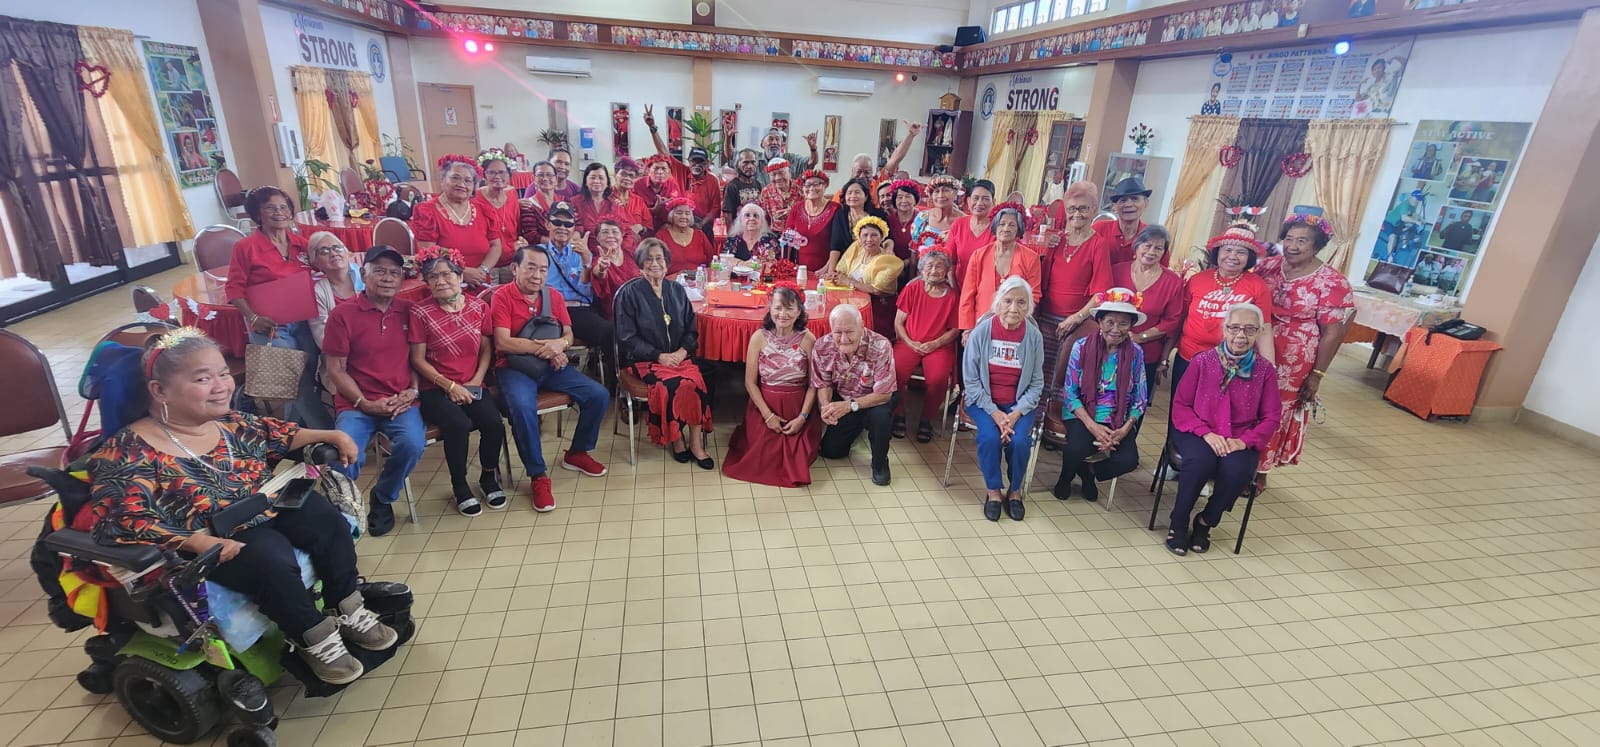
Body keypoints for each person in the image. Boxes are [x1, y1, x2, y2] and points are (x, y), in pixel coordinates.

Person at [83, 328, 395, 685]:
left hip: (258, 508)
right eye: (203, 378)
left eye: (223, 374)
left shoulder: (230, 422)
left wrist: (331, 435)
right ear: (159, 390)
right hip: (203, 539)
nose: (221, 386)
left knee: (326, 521)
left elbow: (280, 434)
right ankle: (313, 637)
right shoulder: (127, 450)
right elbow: (122, 523)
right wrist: (196, 543)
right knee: (271, 557)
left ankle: (347, 607)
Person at [489, 247, 611, 512]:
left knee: (598, 395)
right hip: (514, 367)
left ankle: (577, 452)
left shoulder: (553, 296)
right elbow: (502, 341)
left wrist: (560, 345)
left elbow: (567, 333)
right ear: (515, 269)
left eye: (543, 269)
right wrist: (546, 348)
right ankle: (538, 475)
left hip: (551, 364)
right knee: (523, 408)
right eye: (530, 267)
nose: (537, 275)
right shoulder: (502, 296)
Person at [322, 246, 424, 536]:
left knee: (412, 444)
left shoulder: (408, 310)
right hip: (356, 404)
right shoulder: (343, 315)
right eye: (379, 270)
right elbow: (336, 369)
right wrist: (363, 402)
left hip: (400, 401)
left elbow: (417, 358)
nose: (388, 278)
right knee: (345, 453)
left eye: (395, 272)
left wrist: (414, 390)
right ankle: (344, 509)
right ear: (363, 273)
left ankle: (383, 497)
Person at [1166, 303, 1282, 555]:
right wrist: (1206, 433)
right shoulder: (1203, 361)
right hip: (1198, 429)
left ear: (1258, 333)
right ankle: (1178, 520)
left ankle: (1206, 521)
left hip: (1240, 436)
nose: (1241, 335)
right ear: (1224, 329)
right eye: (1235, 328)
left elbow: (1272, 416)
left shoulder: (1265, 371)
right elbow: (1181, 405)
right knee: (1199, 463)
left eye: (1249, 330)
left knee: (1237, 471)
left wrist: (1245, 441)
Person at [407, 246, 506, 516]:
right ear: (426, 282)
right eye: (432, 277)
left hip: (472, 382)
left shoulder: (478, 306)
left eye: (446, 274)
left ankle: (487, 476)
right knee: (457, 425)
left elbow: (487, 348)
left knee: (493, 423)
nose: (440, 281)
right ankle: (460, 484)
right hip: (434, 387)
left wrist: (475, 381)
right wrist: (449, 386)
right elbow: (417, 360)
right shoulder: (420, 312)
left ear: (460, 275)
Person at [1255, 214, 1353, 484]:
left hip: (1294, 359)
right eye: (1289, 239)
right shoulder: (1268, 267)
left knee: (1276, 409)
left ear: (1317, 245)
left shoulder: (1332, 282)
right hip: (1255, 345)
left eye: (1302, 241)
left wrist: (1317, 374)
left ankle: (1261, 470)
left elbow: (1334, 332)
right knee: (1246, 403)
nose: (1293, 246)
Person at [225, 187, 328, 427]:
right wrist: (252, 319)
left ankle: (292, 434)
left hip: (304, 320)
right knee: (296, 381)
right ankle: (330, 434)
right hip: (270, 326)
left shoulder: (301, 245)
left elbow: (324, 270)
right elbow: (233, 289)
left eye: (284, 207)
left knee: (307, 378)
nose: (279, 212)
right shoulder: (246, 247)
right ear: (258, 214)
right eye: (270, 208)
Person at [614, 239, 716, 468]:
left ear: (667, 262)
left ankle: (696, 444)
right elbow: (626, 337)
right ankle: (676, 439)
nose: (654, 263)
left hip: (679, 357)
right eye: (649, 259)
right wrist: (659, 356)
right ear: (640, 263)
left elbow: (692, 329)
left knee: (696, 382)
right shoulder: (630, 294)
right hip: (644, 360)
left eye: (659, 258)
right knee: (672, 385)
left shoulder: (677, 290)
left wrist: (682, 351)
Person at [1053, 288, 1149, 502]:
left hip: (1118, 415)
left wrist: (1124, 429)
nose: (1116, 329)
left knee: (1128, 460)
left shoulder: (1136, 353)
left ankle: (1090, 474)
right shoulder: (1081, 347)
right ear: (1100, 321)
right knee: (1077, 447)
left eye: (1123, 323)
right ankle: (1065, 477)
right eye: (1110, 322)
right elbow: (1070, 392)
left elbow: (1141, 398)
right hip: (1083, 412)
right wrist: (1092, 426)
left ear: (1131, 326)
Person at [722, 285, 822, 487]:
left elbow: (814, 384)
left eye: (789, 309)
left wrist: (802, 418)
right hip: (764, 406)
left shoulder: (808, 339)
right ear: (770, 308)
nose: (782, 314)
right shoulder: (759, 338)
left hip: (797, 407)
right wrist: (768, 416)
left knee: (795, 456)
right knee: (762, 456)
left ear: (800, 311)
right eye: (777, 308)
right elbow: (750, 383)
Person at [963, 277, 1045, 522]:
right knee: (989, 437)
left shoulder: (1034, 337)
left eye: (1021, 302)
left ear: (1028, 307)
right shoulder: (981, 333)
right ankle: (993, 492)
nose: (1013, 308)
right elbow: (971, 382)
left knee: (1020, 441)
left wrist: (1015, 413)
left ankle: (1015, 491)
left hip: (1018, 405)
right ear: (998, 304)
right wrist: (995, 413)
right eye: (1008, 301)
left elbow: (1037, 383)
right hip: (984, 402)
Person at [1175, 223, 1276, 400]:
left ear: (1250, 257)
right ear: (1218, 252)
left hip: (1233, 364)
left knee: (1219, 415)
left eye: (1241, 252)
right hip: (1189, 358)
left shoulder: (1257, 286)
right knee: (1182, 410)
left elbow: (1264, 329)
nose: (1233, 256)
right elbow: (1181, 317)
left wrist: (1270, 369)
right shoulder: (1198, 280)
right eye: (1227, 250)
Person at [812, 303, 897, 486]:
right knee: (831, 452)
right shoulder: (822, 346)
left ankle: (880, 463)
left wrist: (849, 405)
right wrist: (826, 406)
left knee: (880, 418)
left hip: (874, 400)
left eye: (849, 332)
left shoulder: (880, 345)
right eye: (838, 332)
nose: (843, 339)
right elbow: (823, 383)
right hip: (843, 400)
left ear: (862, 326)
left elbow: (884, 394)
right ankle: (856, 428)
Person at [537, 201, 615, 386]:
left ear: (574, 228)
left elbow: (588, 290)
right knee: (539, 336)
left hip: (579, 311)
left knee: (611, 331)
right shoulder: (536, 253)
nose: (563, 228)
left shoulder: (582, 252)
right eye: (557, 222)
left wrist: (587, 262)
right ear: (548, 225)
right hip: (550, 311)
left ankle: (614, 387)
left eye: (568, 224)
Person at [1038, 180, 1114, 369]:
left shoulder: (1099, 244)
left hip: (1078, 324)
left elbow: (1101, 294)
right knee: (1041, 372)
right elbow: (1041, 281)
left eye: (1083, 208)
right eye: (1071, 209)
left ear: (1094, 209)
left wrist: (1076, 318)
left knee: (1066, 377)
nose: (1077, 214)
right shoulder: (1057, 240)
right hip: (1045, 320)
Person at [891, 249, 960, 443]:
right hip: (909, 342)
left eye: (939, 266)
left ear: (946, 270)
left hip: (939, 346)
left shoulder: (953, 296)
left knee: (938, 378)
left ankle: (926, 419)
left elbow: (954, 330)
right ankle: (898, 414)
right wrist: (910, 342)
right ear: (922, 269)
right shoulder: (912, 288)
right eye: (929, 265)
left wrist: (934, 344)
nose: (934, 270)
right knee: (895, 370)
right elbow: (898, 323)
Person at [1109, 226, 1184, 387]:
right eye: (1147, 245)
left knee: (1136, 405)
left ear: (1164, 252)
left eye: (1158, 248)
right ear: (1137, 246)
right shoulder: (1116, 271)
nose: (1151, 252)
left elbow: (1172, 321)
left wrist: (1140, 337)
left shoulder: (1172, 282)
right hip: (1109, 349)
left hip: (1146, 354)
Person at [413, 154, 503, 286]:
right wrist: (462, 272)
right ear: (443, 180)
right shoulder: (427, 211)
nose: (461, 184)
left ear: (473, 186)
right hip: (443, 284)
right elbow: (429, 254)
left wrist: (482, 270)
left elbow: (496, 246)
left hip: (480, 281)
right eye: (455, 178)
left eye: (468, 181)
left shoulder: (484, 210)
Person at [958, 205, 1043, 339]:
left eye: (1012, 225)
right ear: (995, 227)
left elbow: (1034, 295)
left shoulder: (1031, 258)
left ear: (1019, 229)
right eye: (1002, 224)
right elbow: (967, 294)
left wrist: (1016, 317)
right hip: (981, 324)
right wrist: (968, 329)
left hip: (1016, 325)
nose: (1006, 228)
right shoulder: (979, 255)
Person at [831, 216, 903, 340]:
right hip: (853, 302)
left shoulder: (887, 260)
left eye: (874, 235)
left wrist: (849, 282)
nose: (869, 239)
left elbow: (876, 290)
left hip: (877, 307)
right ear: (859, 238)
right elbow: (841, 271)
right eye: (865, 235)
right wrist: (836, 277)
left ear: (882, 238)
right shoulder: (856, 250)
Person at [306, 231, 365, 349]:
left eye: (337, 248)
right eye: (324, 251)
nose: (333, 253)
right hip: (340, 355)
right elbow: (323, 339)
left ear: (346, 253)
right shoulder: (316, 292)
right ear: (316, 261)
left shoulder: (365, 278)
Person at [825, 178, 888, 274]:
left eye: (857, 192)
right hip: (846, 265)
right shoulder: (841, 215)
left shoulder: (878, 214)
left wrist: (889, 249)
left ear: (866, 196)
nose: (853, 196)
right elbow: (835, 246)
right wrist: (830, 271)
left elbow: (887, 238)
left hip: (872, 265)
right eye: (849, 193)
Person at [786, 170, 840, 272]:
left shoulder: (835, 209)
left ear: (825, 185)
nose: (811, 188)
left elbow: (837, 244)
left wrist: (828, 269)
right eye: (807, 185)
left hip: (824, 271)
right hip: (798, 270)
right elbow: (787, 239)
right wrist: (786, 265)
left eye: (817, 184)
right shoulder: (796, 208)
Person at [589, 219, 642, 318]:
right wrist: (602, 269)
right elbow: (598, 273)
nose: (610, 236)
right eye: (605, 232)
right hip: (617, 316)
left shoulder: (633, 254)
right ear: (597, 238)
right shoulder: (597, 261)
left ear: (622, 235)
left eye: (615, 232)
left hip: (641, 309)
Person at [478, 148, 524, 264]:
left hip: (511, 260)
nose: (497, 176)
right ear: (484, 175)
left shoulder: (512, 194)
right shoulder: (475, 197)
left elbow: (517, 228)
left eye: (502, 172)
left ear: (509, 176)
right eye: (492, 172)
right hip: (485, 263)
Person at [1095, 177, 1154, 265]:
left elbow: (1161, 273)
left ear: (1146, 203)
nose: (1129, 204)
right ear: (1114, 206)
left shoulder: (1153, 236)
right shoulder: (1099, 229)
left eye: (1135, 199)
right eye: (1123, 200)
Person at [945, 179, 996, 278]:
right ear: (968, 201)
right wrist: (955, 290)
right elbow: (950, 263)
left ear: (993, 202)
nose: (980, 203)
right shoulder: (959, 225)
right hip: (959, 286)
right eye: (975, 198)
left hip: (988, 288)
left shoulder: (998, 228)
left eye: (985, 199)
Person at [656, 197, 716, 276]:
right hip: (670, 283)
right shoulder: (661, 236)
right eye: (679, 213)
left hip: (698, 281)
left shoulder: (700, 235)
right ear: (671, 215)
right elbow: (656, 263)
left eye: (687, 213)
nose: (683, 216)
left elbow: (712, 260)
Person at [572, 163, 623, 251]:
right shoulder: (574, 202)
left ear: (607, 182)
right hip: (583, 251)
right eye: (592, 177)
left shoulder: (615, 203)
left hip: (610, 251)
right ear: (586, 181)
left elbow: (623, 229)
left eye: (601, 177)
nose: (597, 181)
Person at [909, 175, 964, 252]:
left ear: (955, 193)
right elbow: (915, 249)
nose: (940, 195)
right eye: (937, 191)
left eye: (946, 190)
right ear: (931, 196)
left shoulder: (964, 222)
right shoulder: (923, 217)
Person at [883, 179, 922, 278]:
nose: (903, 201)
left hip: (917, 269)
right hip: (891, 269)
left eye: (908, 197)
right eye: (899, 197)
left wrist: (906, 262)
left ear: (915, 199)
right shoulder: (888, 220)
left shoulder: (922, 219)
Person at [518, 160, 562, 247]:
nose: (545, 179)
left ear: (556, 179)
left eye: (549, 175)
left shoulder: (565, 201)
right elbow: (531, 236)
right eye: (541, 175)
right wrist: (557, 244)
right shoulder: (528, 205)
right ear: (533, 179)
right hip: (540, 252)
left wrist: (570, 243)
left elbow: (578, 225)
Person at [611, 157, 653, 246]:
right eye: (623, 174)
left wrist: (641, 229)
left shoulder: (638, 201)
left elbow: (649, 228)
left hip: (636, 250)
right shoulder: (605, 197)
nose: (627, 178)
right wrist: (628, 229)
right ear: (615, 175)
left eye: (631, 176)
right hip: (614, 247)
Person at [636, 154, 683, 231]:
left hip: (666, 225)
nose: (660, 172)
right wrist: (654, 210)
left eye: (664, 168)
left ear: (669, 172)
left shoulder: (673, 184)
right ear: (648, 171)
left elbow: (679, 206)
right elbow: (632, 212)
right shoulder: (637, 185)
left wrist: (670, 205)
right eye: (656, 168)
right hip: (643, 226)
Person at [722, 148, 764, 228]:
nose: (750, 166)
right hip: (739, 230)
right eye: (745, 162)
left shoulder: (758, 184)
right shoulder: (732, 186)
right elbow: (727, 215)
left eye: (753, 162)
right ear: (737, 164)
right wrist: (732, 235)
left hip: (755, 229)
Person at [758, 158, 798, 226]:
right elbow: (763, 218)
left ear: (789, 173)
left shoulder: (802, 189)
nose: (778, 178)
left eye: (781, 173)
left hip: (799, 233)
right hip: (775, 234)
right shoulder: (765, 192)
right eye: (773, 175)